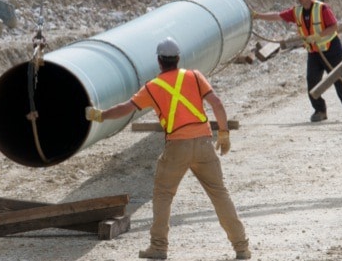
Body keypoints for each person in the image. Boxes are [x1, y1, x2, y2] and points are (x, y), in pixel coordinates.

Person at [85, 37, 251, 260]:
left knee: (163, 195)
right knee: (220, 195)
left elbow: (125, 109)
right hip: (204, 143)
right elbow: (217, 103)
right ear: (178, 59)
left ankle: (159, 247)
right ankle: (241, 247)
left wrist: (99, 115)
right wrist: (223, 133)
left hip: (177, 146)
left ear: (159, 61)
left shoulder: (153, 87)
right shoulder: (195, 76)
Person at [254, 0, 342, 122]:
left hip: (331, 49)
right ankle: (320, 110)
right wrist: (258, 15)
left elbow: (334, 27)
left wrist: (317, 36)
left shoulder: (322, 8)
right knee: (312, 82)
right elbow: (277, 16)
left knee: (340, 81)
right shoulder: (296, 12)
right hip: (314, 52)